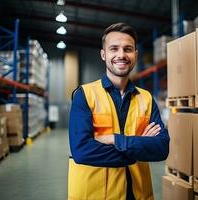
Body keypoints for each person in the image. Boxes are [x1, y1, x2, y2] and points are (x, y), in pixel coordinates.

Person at [68, 22, 170, 200]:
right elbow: (82, 151)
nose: (121, 55)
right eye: (114, 48)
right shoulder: (84, 95)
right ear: (103, 54)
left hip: (137, 194)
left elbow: (161, 148)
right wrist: (139, 147)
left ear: (135, 55)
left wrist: (113, 139)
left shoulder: (146, 99)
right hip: (96, 195)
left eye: (128, 49)